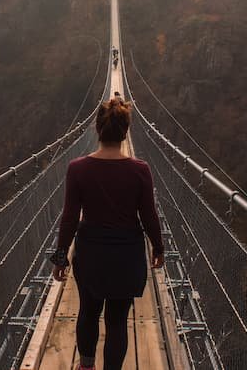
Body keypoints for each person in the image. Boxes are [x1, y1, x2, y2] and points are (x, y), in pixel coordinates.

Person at [50, 98, 165, 370]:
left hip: (91, 255)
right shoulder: (140, 171)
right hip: (127, 256)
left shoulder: (77, 169)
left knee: (89, 313)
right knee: (117, 320)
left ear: (97, 130)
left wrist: (60, 257)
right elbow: (149, 216)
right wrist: (159, 248)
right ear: (126, 132)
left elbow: (69, 218)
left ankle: (86, 366)